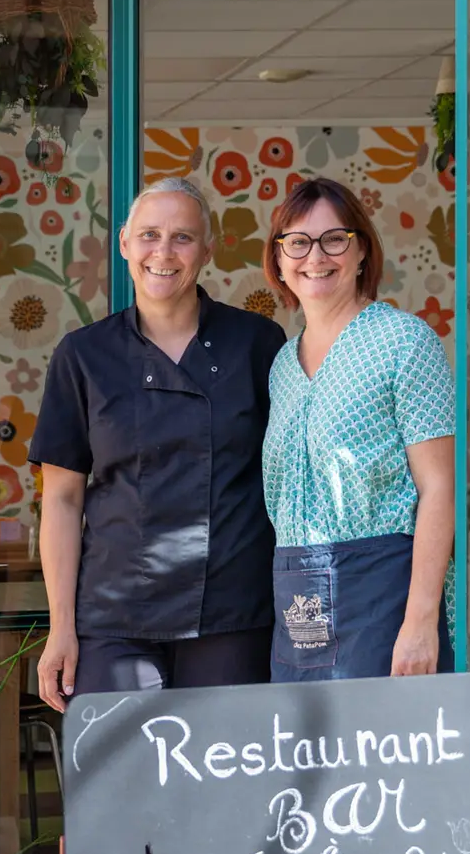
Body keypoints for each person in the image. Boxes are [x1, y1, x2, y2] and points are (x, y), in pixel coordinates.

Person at [30, 177, 287, 710]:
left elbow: (287, 477)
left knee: (223, 780)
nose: (163, 253)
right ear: (124, 243)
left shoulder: (257, 343)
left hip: (232, 611)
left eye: (182, 238)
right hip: (114, 615)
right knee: (120, 783)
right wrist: (61, 628)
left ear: (208, 251)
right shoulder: (82, 356)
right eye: (149, 235)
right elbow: (60, 499)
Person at [261, 177, 455, 681]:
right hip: (297, 597)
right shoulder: (282, 365)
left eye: (335, 239)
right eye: (297, 242)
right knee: (309, 756)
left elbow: (440, 489)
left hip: (382, 592)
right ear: (279, 260)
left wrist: (420, 622)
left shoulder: (406, 342)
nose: (315, 256)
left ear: (362, 250)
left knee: (383, 755)